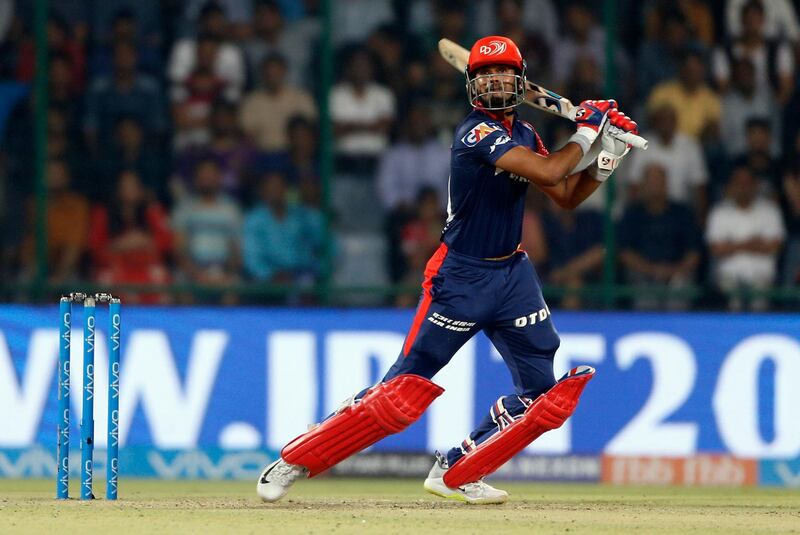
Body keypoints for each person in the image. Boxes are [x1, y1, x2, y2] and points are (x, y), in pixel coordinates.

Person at [256, 36, 638, 505]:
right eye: (483, 74)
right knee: (401, 391)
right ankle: (297, 459)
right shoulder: (475, 133)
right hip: (460, 277)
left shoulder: (525, 134)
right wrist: (588, 128)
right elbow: (550, 173)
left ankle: (459, 467)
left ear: (520, 81)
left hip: (513, 276)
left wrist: (609, 154)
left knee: (543, 396)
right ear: (472, 84)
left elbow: (565, 195)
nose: (493, 80)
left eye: (502, 72)